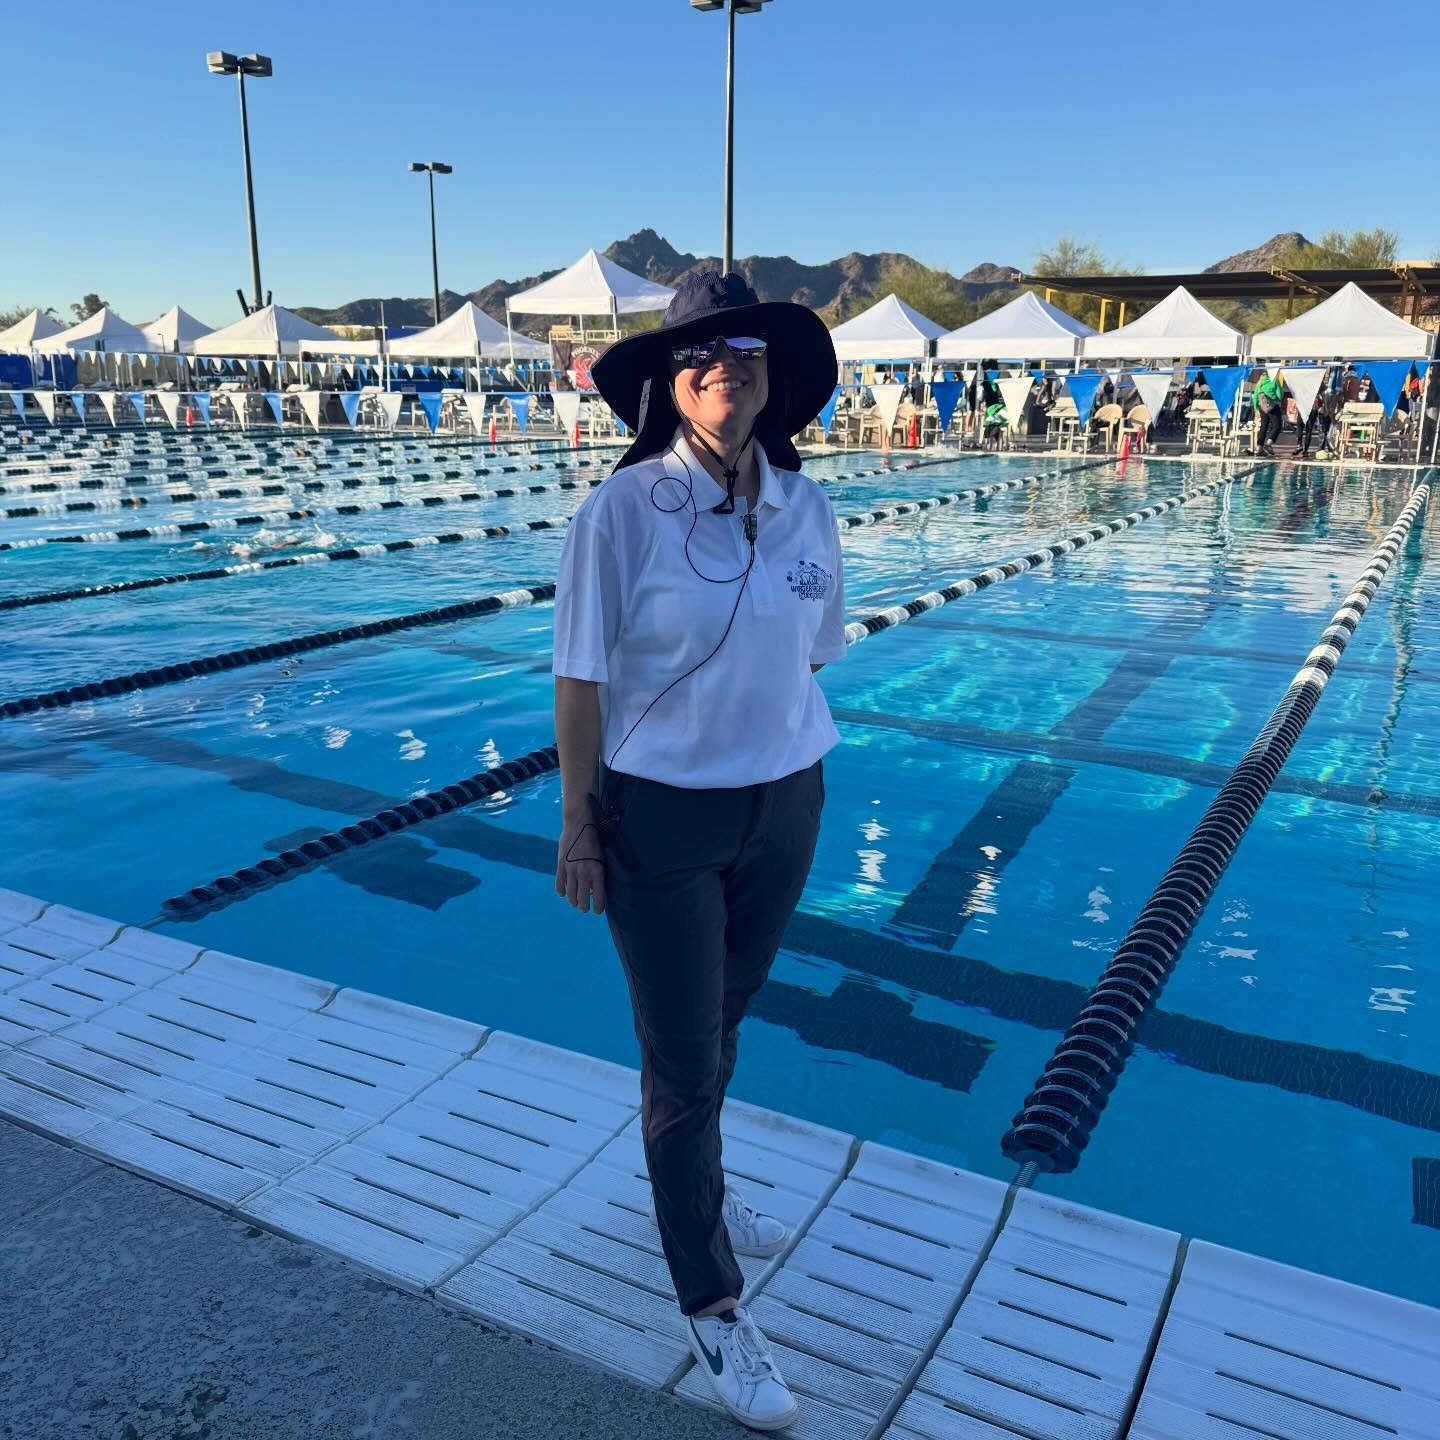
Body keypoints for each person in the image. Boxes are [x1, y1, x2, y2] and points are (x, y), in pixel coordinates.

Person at [551, 270, 842, 1432]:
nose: (727, 369)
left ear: (774, 378)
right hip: (660, 816)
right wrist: (580, 823)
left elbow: (810, 652)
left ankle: (701, 1193)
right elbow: (579, 678)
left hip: (787, 801)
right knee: (680, 1055)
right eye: (700, 356)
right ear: (668, 385)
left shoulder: (806, 504)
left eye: (749, 354)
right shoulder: (619, 513)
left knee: (723, 1019)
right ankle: (712, 1300)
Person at [1252, 369, 1285, 457]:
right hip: (1272, 406)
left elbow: (1255, 396)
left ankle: (1259, 448)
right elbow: (1279, 395)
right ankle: (1268, 444)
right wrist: (1278, 398)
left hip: (1261, 408)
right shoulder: (1274, 380)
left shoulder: (1259, 383)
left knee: (1263, 427)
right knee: (1277, 426)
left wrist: (1256, 409)